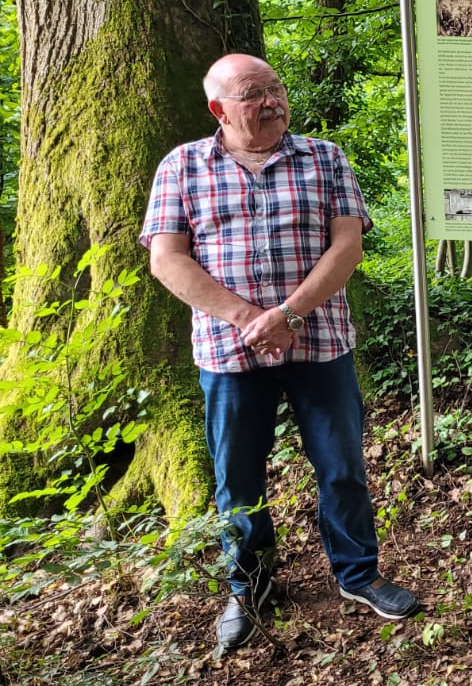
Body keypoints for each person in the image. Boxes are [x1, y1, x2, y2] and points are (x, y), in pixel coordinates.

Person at [140, 54, 422, 654]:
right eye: (253, 94)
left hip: (321, 345)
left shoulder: (325, 158)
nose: (271, 101)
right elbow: (167, 259)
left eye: (275, 89)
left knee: (342, 466)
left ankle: (358, 574)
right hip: (230, 353)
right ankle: (250, 587)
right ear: (219, 109)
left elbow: (347, 247)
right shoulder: (182, 166)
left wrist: (289, 315)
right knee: (237, 477)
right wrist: (250, 319)